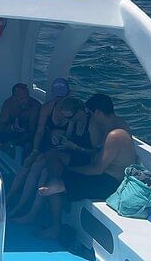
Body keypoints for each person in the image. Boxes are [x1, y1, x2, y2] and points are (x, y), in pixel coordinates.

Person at [36, 93, 137, 239]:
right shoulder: (115, 125)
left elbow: (97, 170)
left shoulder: (115, 134)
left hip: (109, 184)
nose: (91, 117)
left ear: (98, 113)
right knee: (56, 176)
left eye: (91, 114)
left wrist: (70, 169)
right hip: (107, 177)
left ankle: (55, 228)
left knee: (54, 184)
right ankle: (55, 219)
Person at [6, 78, 72, 207]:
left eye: (63, 96)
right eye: (58, 96)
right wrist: (35, 150)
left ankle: (23, 207)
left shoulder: (74, 109)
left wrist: (60, 135)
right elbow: (39, 132)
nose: (60, 99)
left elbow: (72, 136)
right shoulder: (48, 108)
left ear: (69, 93)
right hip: (47, 145)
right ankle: (10, 197)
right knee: (28, 163)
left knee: (41, 169)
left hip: (62, 149)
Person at [0, 83, 40, 165]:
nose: (25, 101)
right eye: (22, 98)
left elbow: (32, 132)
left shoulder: (35, 105)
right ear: (14, 97)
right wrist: (13, 127)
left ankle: (24, 170)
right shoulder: (8, 104)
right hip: (12, 132)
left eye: (27, 97)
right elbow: (1, 127)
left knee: (28, 146)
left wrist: (11, 143)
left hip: (27, 135)